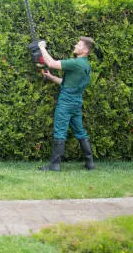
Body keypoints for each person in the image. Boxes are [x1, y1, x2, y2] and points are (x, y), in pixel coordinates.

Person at [37, 37, 95, 171]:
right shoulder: (86, 65)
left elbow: (51, 63)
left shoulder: (76, 63)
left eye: (78, 44)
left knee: (60, 131)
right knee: (80, 131)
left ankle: (55, 165)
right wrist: (52, 78)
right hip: (76, 101)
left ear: (85, 50)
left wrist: (41, 47)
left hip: (66, 102)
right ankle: (89, 163)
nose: (75, 45)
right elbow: (68, 83)